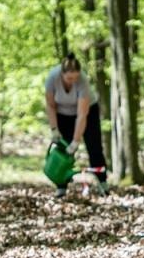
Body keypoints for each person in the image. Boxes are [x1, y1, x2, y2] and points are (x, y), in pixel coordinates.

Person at [44, 55, 108, 196]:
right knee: (62, 149)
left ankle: (103, 183)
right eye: (69, 79)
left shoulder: (82, 80)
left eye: (75, 78)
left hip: (87, 112)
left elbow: (81, 115)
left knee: (94, 146)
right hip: (62, 113)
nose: (73, 81)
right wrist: (54, 129)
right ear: (62, 74)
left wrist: (76, 141)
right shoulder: (52, 78)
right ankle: (61, 185)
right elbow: (50, 105)